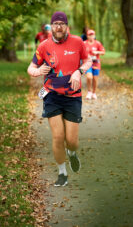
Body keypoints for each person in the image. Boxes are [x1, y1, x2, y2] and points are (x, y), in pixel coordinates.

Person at [27, 11, 92, 187]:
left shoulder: (78, 42)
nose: (58, 26)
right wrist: (37, 71)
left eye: (62, 23)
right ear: (51, 26)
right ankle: (62, 173)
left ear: (67, 26)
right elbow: (31, 67)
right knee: (58, 136)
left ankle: (71, 154)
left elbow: (88, 61)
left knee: (71, 141)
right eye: (55, 23)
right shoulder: (44, 46)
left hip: (73, 96)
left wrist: (79, 71)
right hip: (51, 96)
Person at [84, 29, 105, 100]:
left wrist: (97, 52)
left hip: (96, 63)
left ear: (94, 36)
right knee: (89, 77)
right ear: (87, 36)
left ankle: (94, 92)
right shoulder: (84, 43)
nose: (91, 36)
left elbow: (103, 52)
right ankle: (89, 92)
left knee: (95, 79)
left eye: (92, 35)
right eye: (90, 35)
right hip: (88, 63)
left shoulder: (97, 43)